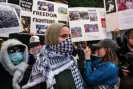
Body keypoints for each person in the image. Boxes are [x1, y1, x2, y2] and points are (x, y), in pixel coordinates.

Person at [22, 23, 84, 89]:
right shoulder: (42, 65)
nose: (68, 39)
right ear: (52, 38)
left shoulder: (72, 59)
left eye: (69, 36)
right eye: (63, 36)